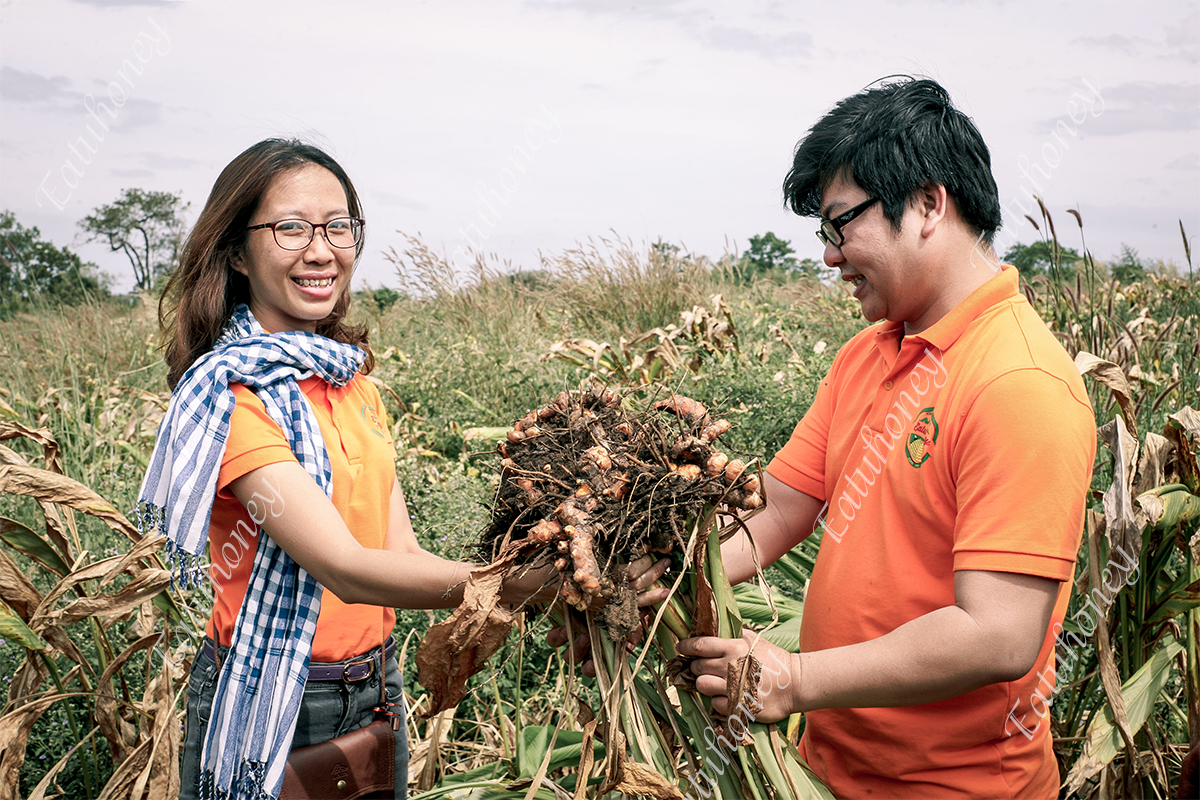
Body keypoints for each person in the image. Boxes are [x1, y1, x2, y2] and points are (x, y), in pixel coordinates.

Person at [137, 139, 649, 800]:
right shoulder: (231, 396)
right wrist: (535, 584)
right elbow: (346, 568)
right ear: (236, 251)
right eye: (290, 228)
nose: (321, 251)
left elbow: (398, 550)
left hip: (376, 683)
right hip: (278, 696)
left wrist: (551, 575)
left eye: (338, 226)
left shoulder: (355, 386)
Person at [670, 78, 1097, 798]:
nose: (831, 256)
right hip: (827, 769)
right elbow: (775, 512)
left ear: (930, 204)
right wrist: (657, 569)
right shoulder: (866, 356)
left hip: (954, 787)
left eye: (842, 225)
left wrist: (797, 676)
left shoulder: (1019, 382)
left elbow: (997, 632)